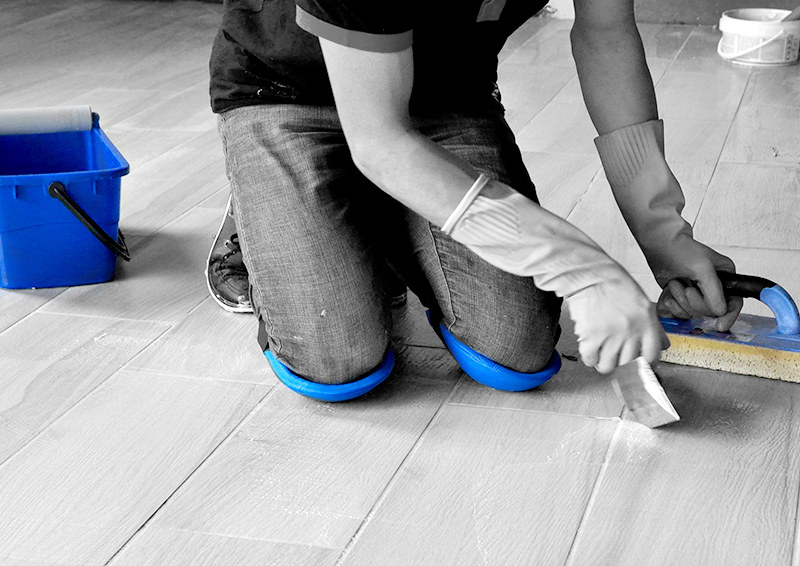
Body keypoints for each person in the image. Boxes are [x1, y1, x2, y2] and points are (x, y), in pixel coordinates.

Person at [207, 0, 742, 402]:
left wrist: (662, 231)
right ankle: (268, 210)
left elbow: (606, 34)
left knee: (516, 346)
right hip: (285, 91)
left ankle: (385, 207)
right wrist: (578, 266)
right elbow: (381, 141)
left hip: (444, 94)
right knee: (337, 357)